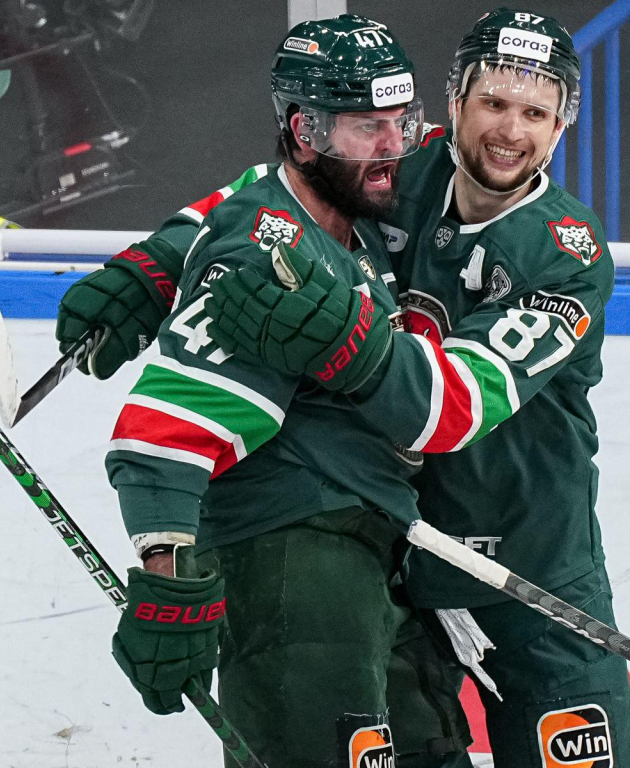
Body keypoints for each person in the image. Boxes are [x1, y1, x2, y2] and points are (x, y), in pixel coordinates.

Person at [57, 8, 630, 766]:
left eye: (536, 112)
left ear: (562, 126)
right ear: (456, 102)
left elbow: (450, 409)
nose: (510, 131)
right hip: (408, 564)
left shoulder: (567, 253)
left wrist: (343, 337)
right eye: (494, 102)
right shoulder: (402, 164)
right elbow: (267, 191)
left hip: (533, 570)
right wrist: (161, 259)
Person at [98, 16, 476, 768]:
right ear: (306, 132)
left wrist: (165, 247)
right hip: (293, 568)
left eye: (401, 121)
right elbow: (163, 429)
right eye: (368, 127)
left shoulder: (348, 224)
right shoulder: (264, 250)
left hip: (368, 556)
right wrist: (166, 575)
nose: (394, 146)